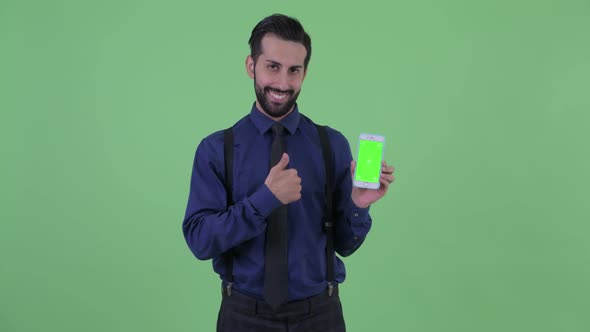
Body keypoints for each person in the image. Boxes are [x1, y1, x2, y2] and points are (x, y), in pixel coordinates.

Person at [182, 14, 395, 332]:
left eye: (294, 70)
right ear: (251, 66)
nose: (283, 83)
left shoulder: (331, 144)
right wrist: (264, 201)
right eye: (272, 66)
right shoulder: (216, 149)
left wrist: (358, 205)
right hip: (243, 316)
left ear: (305, 73)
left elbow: (345, 245)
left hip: (320, 315)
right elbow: (200, 241)